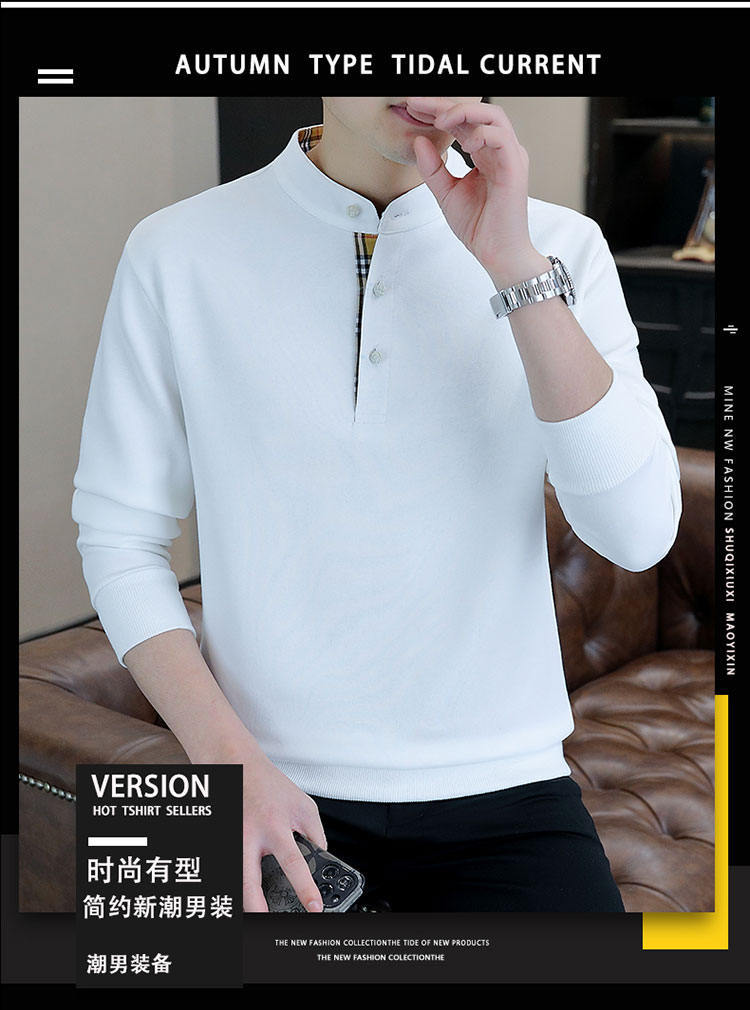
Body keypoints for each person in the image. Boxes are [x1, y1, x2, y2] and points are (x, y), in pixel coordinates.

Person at [72, 96, 682, 913]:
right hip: (263, 784)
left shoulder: (560, 246)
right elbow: (119, 536)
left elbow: (638, 536)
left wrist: (513, 268)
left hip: (509, 792)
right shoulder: (175, 249)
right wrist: (227, 760)